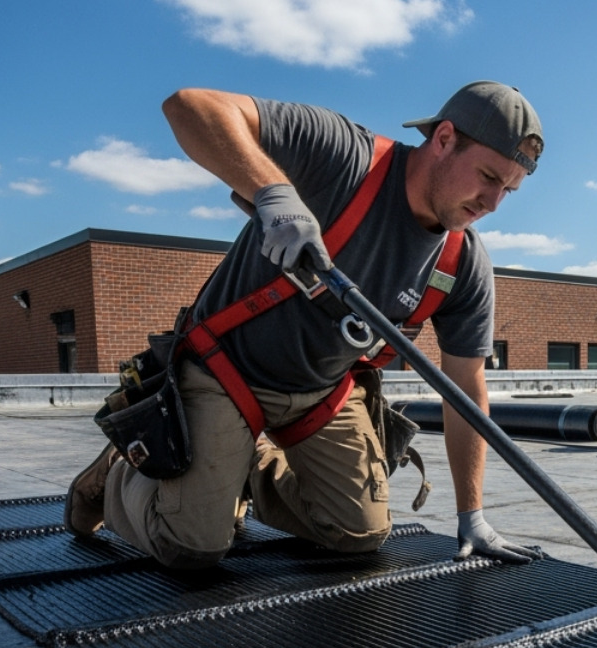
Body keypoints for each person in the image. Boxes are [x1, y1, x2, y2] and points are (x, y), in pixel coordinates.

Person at [65, 81, 543, 568]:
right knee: (191, 547)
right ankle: (121, 471)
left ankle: (238, 468)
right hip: (223, 372)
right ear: (443, 139)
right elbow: (189, 106)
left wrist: (472, 515)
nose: (493, 202)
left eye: (508, 189)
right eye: (487, 176)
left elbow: (465, 387)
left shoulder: (461, 264)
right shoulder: (346, 157)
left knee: (358, 533)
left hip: (320, 393)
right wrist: (273, 194)